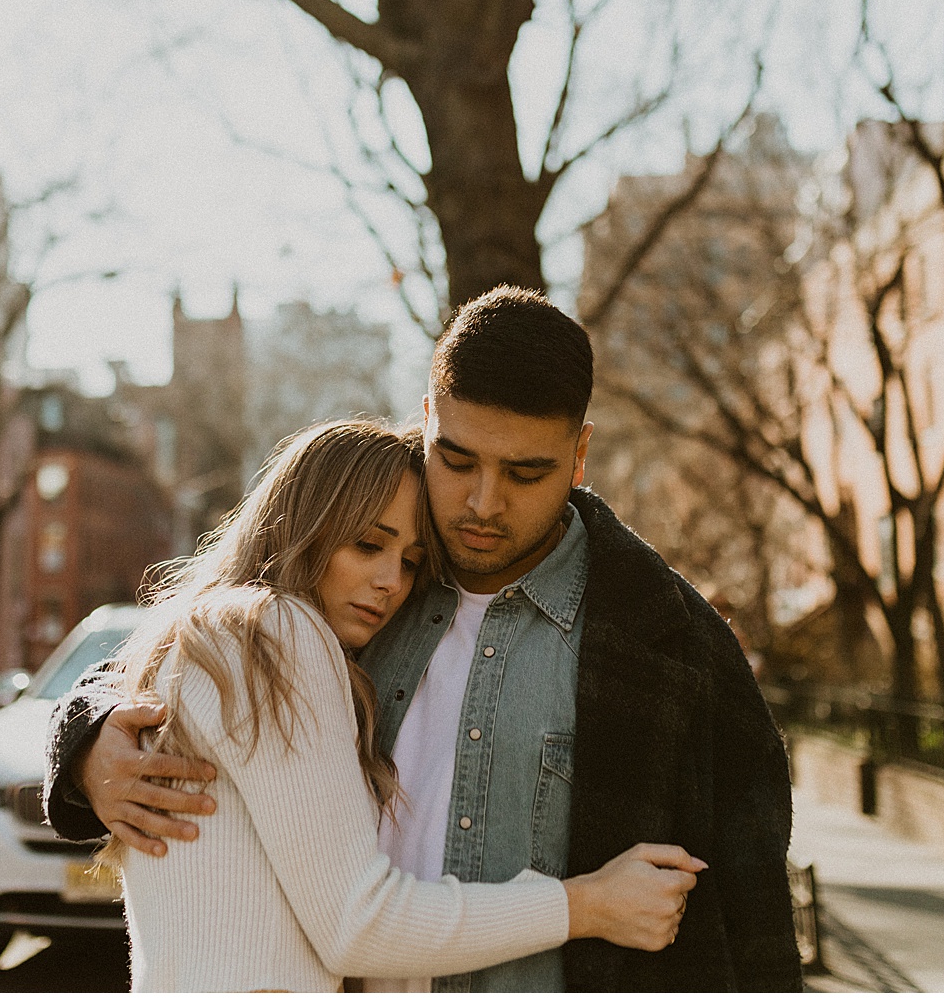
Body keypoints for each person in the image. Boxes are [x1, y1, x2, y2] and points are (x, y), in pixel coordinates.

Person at [47, 287, 803, 992]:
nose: (482, 501)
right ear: (428, 419)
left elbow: (754, 921)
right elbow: (163, 663)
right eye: (457, 457)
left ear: (579, 455)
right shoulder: (351, 580)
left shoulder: (671, 643)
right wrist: (87, 743)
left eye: (526, 471)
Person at [97, 418, 703, 991]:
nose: (391, 581)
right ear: (299, 525)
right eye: (367, 545)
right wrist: (588, 904)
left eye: (411, 562)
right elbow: (356, 924)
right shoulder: (275, 631)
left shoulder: (203, 640)